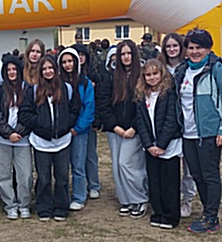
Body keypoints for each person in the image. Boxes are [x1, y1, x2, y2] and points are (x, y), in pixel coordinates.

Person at [174, 29, 222, 234]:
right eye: (191, 47)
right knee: (196, 175)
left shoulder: (218, 70)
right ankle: (208, 212)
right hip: (187, 133)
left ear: (208, 48)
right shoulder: (182, 70)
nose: (194, 51)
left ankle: (211, 217)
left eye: (199, 47)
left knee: (210, 175)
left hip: (208, 132)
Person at [19, 55, 79, 221]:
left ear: (56, 69)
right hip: (41, 142)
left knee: (62, 177)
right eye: (44, 69)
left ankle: (61, 207)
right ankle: (44, 207)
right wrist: (40, 125)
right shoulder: (33, 90)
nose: (48, 71)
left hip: (63, 140)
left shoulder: (66, 89)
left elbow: (74, 109)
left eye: (50, 68)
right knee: (44, 178)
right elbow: (24, 114)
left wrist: (66, 124)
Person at [97, 39, 149, 217]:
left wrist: (134, 127)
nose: (126, 57)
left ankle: (140, 198)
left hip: (134, 129)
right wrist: (114, 126)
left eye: (129, 53)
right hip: (115, 130)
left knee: (127, 163)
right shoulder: (111, 76)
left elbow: (143, 104)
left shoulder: (141, 76)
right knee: (116, 166)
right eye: (123, 54)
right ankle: (126, 199)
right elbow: (104, 103)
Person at [135, 59, 183, 229]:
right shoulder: (141, 95)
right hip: (151, 147)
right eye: (148, 75)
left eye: (155, 73)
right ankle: (158, 212)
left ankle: (171, 216)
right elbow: (140, 122)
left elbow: (171, 120)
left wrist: (161, 145)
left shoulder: (170, 93)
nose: (152, 77)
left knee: (169, 182)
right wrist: (149, 145)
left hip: (169, 146)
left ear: (162, 74)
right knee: (154, 181)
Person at [159, 32, 197, 218]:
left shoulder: (188, 67)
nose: (172, 49)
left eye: (175, 46)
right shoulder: (160, 68)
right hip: (167, 123)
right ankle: (167, 197)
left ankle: (187, 199)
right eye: (168, 46)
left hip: (187, 122)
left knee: (189, 167)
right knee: (168, 165)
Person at [0, 55, 33, 220]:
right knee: (3, 174)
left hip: (22, 139)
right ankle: (10, 205)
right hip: (2, 139)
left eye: (14, 69)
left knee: (25, 175)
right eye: (8, 69)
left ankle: (24, 204)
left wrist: (19, 132)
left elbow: (30, 114)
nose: (11, 72)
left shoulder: (28, 89)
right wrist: (8, 133)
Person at [57, 47, 95, 211]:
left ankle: (79, 196)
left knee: (78, 165)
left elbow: (89, 108)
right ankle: (63, 196)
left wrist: (78, 128)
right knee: (62, 167)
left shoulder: (85, 82)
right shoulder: (57, 82)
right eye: (64, 62)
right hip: (62, 131)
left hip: (80, 131)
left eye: (70, 61)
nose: (67, 65)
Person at [71, 42, 101, 200]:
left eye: (82, 54)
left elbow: (98, 99)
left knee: (90, 155)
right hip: (73, 123)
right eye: (77, 55)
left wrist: (96, 121)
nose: (80, 57)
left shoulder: (92, 74)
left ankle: (94, 185)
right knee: (77, 158)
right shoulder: (65, 76)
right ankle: (80, 187)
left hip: (88, 121)